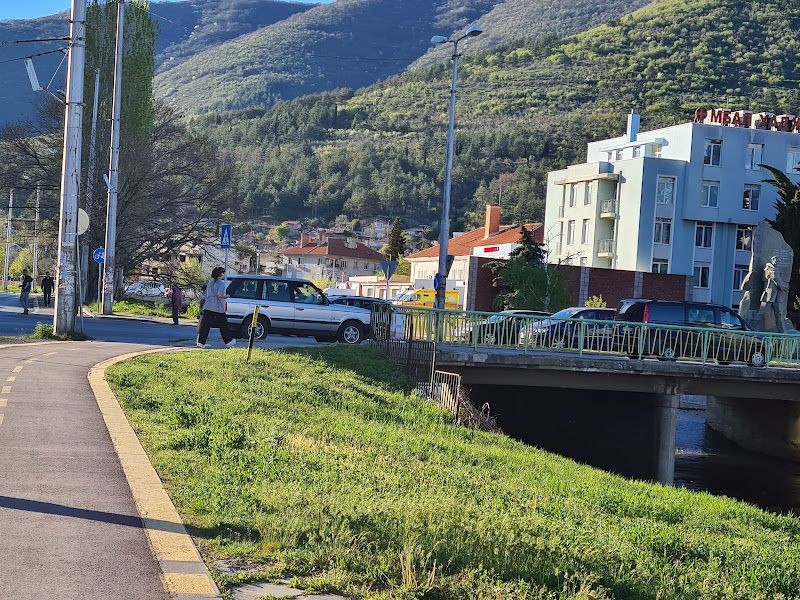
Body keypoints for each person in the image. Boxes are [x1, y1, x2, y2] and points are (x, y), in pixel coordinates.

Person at [197, 267, 236, 348]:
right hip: (218, 307)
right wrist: (227, 296)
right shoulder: (221, 283)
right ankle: (228, 341)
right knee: (223, 325)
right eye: (223, 273)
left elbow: (206, 294)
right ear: (220, 274)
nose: (224, 274)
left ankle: (201, 342)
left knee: (205, 325)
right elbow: (219, 295)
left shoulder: (210, 283)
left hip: (208, 305)